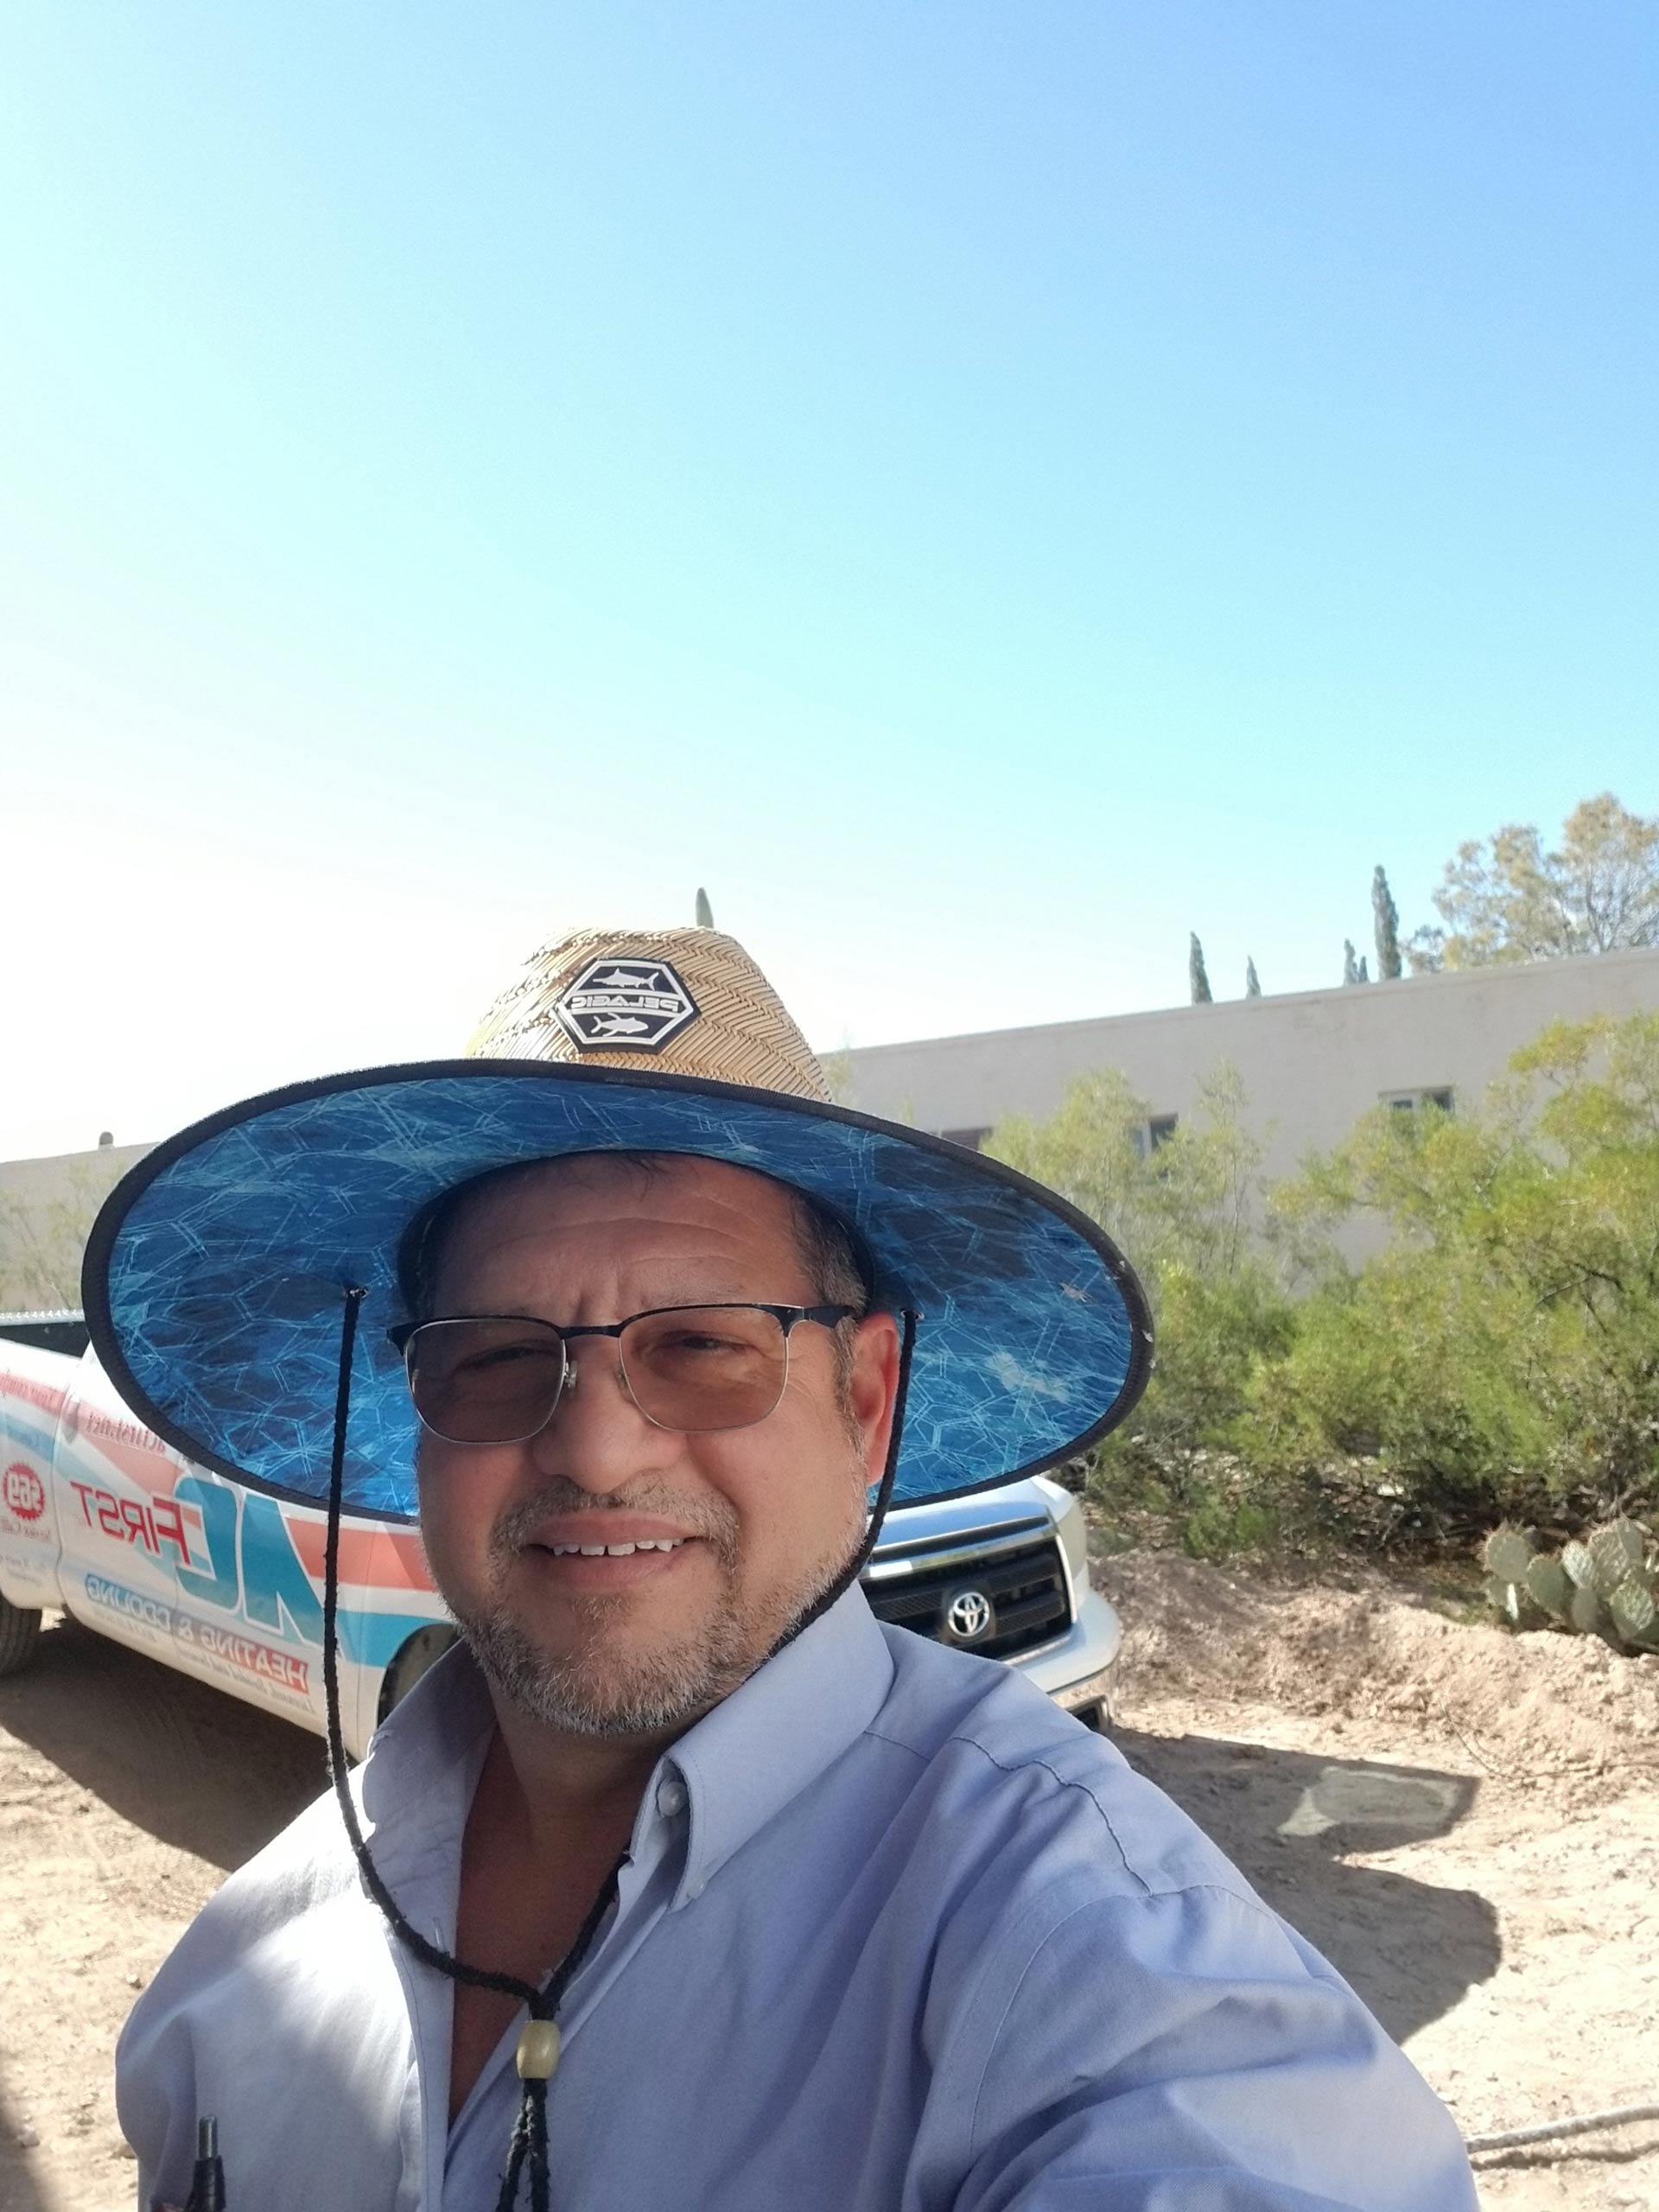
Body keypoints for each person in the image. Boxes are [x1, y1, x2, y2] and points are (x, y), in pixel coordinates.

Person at [99, 925, 1478, 2211]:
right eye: (498, 1354)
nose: (594, 1445)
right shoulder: (226, 1992)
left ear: (866, 1401)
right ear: (418, 1407)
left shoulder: (1076, 1946)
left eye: (703, 1345)